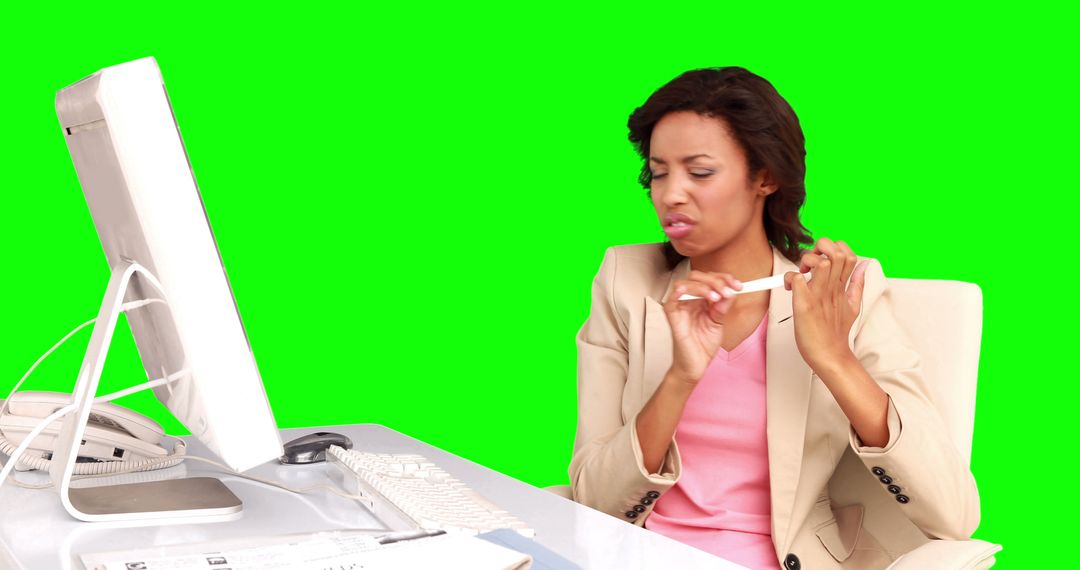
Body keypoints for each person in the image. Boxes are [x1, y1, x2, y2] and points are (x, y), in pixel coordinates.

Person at [568, 67, 980, 570]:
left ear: (765, 177)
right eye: (658, 172)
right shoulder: (625, 281)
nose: (670, 194)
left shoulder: (840, 293)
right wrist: (680, 377)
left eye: (699, 172)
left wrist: (833, 357)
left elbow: (955, 516)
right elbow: (592, 502)